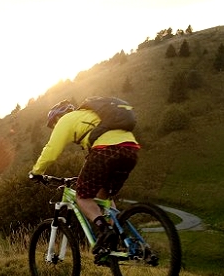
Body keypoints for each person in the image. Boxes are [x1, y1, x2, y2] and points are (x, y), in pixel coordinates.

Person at [29, 98, 140, 258]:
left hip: (106, 150)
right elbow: (93, 159)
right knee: (104, 197)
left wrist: (36, 171)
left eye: (53, 124)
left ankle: (105, 230)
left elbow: (51, 150)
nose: (54, 127)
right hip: (131, 150)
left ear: (57, 118)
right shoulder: (92, 117)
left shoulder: (66, 120)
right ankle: (116, 240)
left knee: (82, 197)